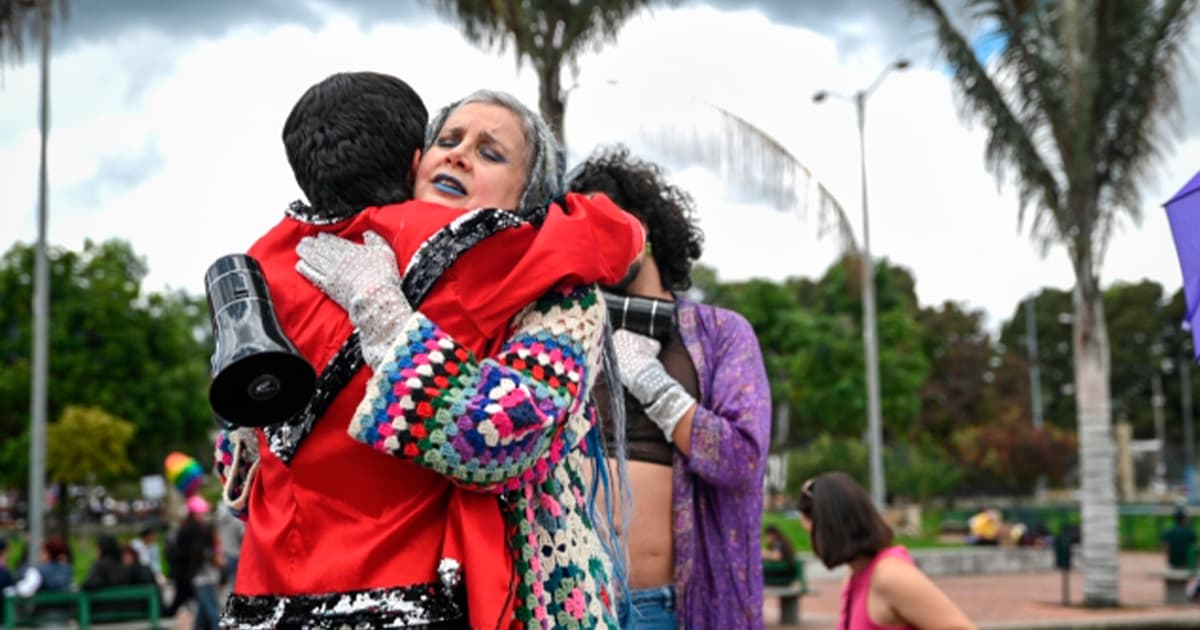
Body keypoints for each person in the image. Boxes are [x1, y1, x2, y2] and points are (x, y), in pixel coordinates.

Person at [215, 76, 642, 628]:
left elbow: (504, 436)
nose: (461, 155)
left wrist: (385, 318)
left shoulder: (559, 296)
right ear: (413, 162)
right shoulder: (317, 262)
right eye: (448, 141)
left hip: (509, 602)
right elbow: (245, 487)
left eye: (490, 153)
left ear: (529, 194)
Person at [567, 145, 772, 629]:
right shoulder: (564, 332)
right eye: (587, 233)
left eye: (613, 225)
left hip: (664, 609)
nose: (603, 243)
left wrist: (656, 387)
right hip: (572, 607)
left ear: (649, 230)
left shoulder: (722, 334)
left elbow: (742, 460)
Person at [799, 472, 974, 630]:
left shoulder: (889, 576)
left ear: (828, 529)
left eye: (810, 534)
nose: (813, 545)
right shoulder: (855, 575)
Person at [6, 535, 72, 597]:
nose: (41, 554)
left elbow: (24, 590)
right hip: (66, 608)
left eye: (43, 551)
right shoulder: (67, 569)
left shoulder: (38, 571)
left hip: (44, 608)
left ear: (47, 552)